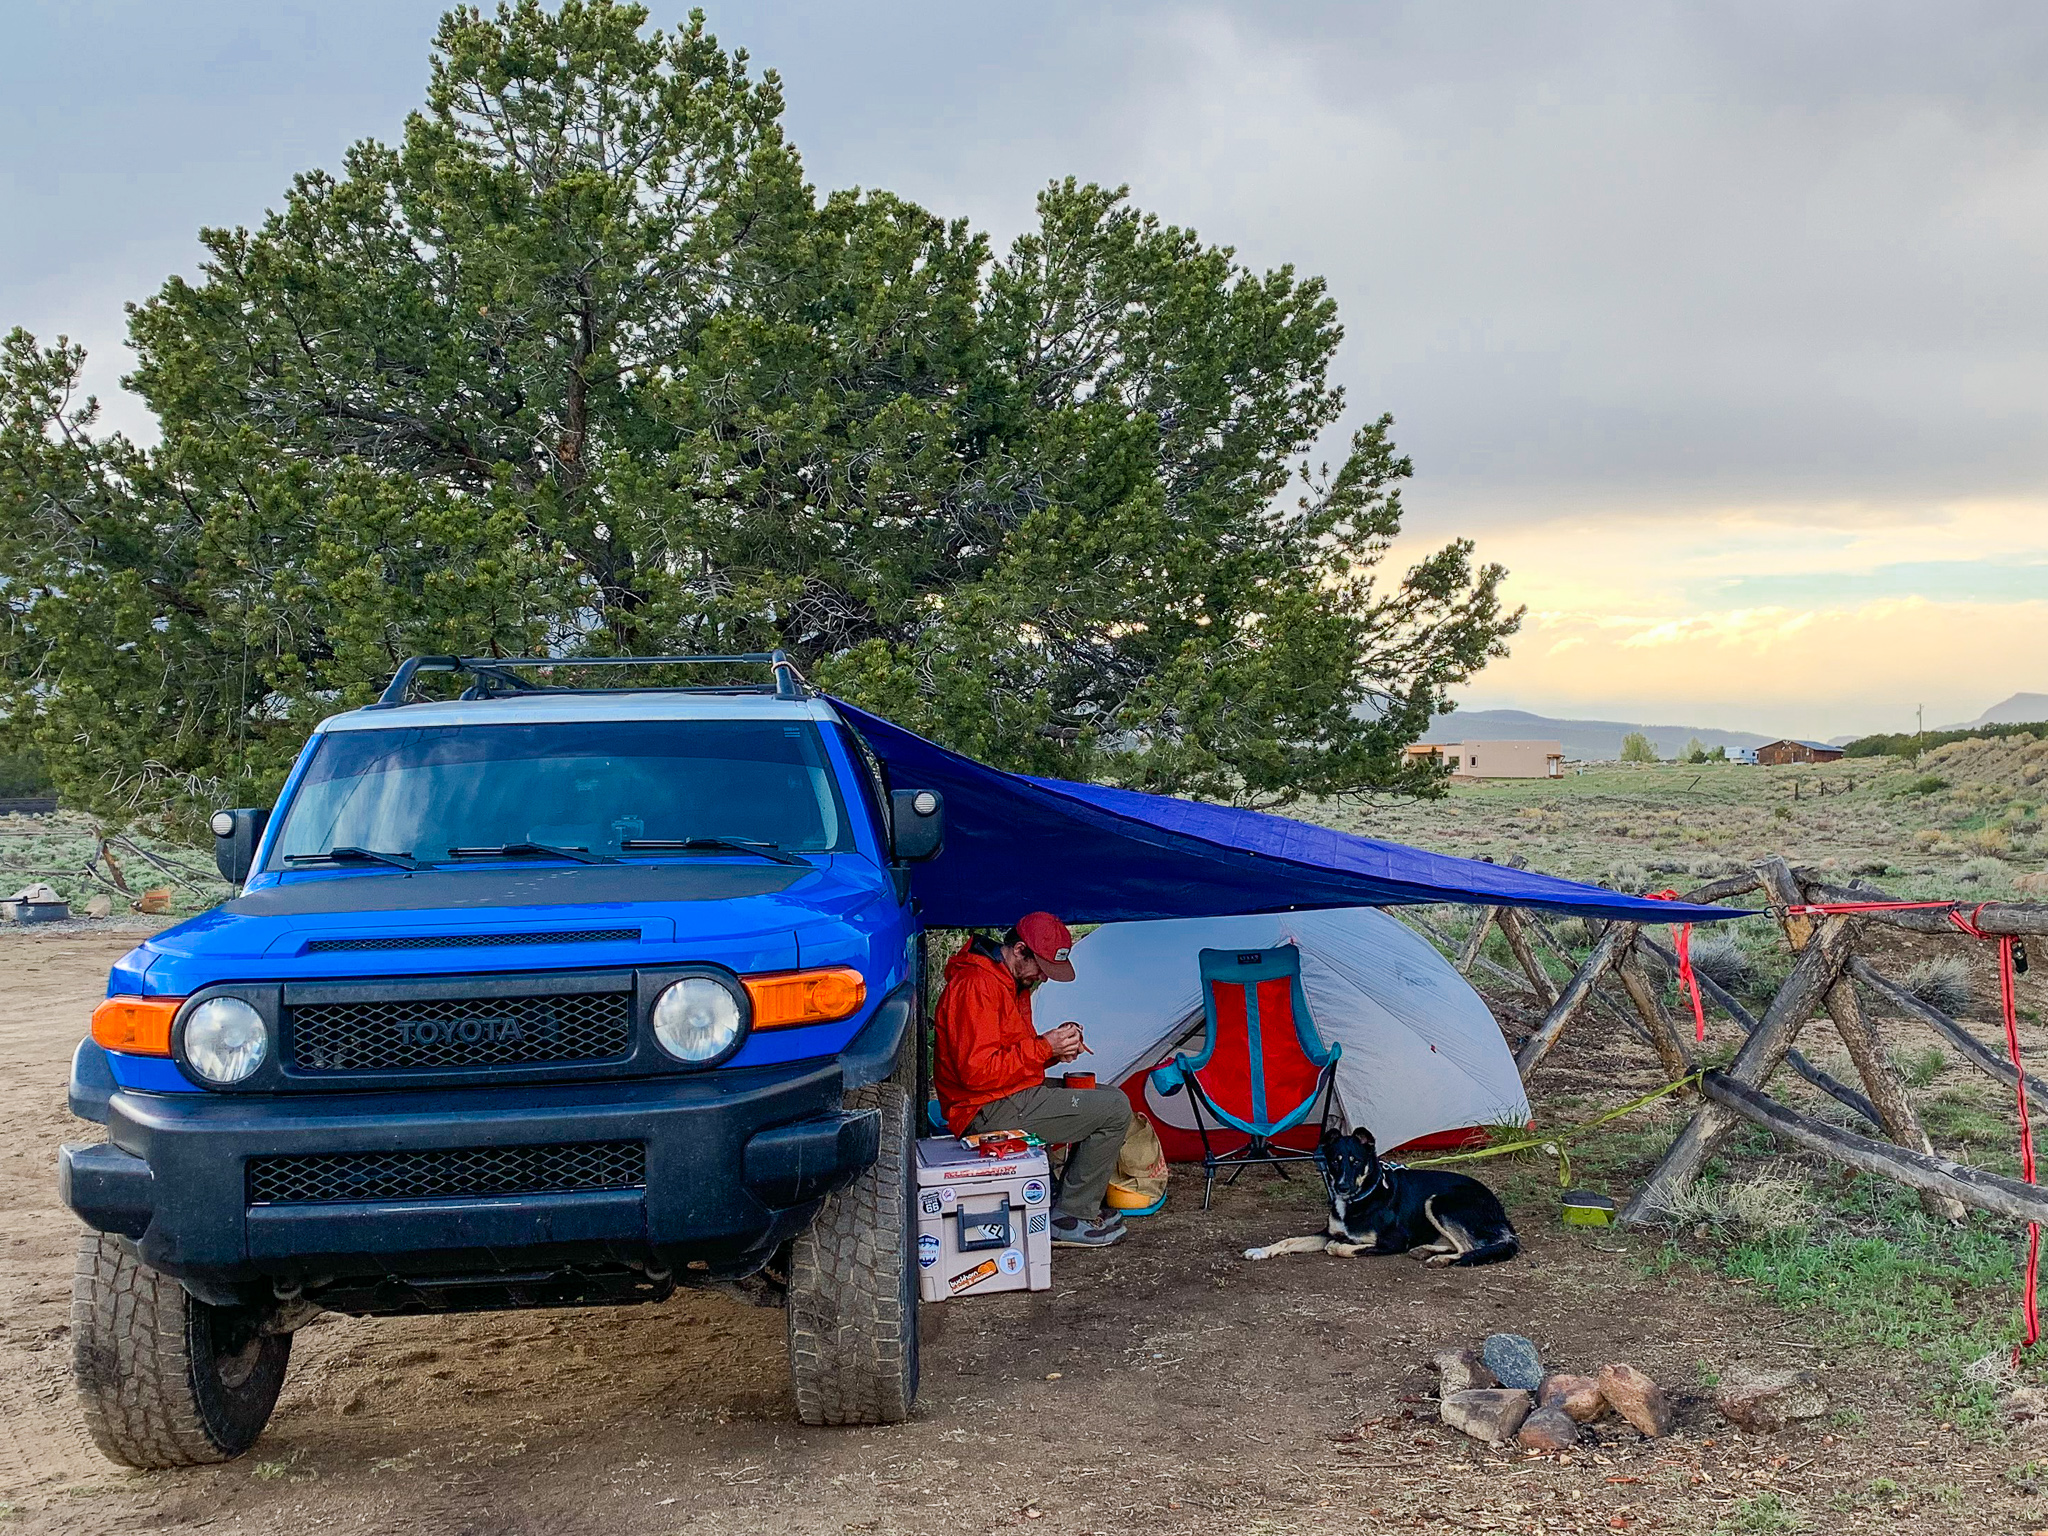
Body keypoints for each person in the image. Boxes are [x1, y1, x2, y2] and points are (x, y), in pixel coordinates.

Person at [932, 911, 1133, 1248]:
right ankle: (1070, 1216)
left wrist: (1056, 1050)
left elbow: (1012, 1054)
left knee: (1107, 1097)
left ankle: (1063, 1202)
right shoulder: (977, 985)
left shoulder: (1011, 981)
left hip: (1006, 1094)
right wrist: (1044, 1047)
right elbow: (977, 1073)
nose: (1045, 977)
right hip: (982, 1109)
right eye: (1041, 967)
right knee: (1114, 1108)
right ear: (1020, 950)